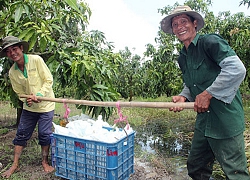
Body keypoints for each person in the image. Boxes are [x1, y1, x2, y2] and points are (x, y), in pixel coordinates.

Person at [161, 5, 250, 180]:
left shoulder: (210, 42)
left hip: (225, 120)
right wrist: (184, 96)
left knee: (236, 173)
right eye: (175, 24)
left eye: (184, 21)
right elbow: (191, 83)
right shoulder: (182, 57)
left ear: (195, 24)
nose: (179, 27)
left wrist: (208, 94)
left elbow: (237, 69)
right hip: (204, 121)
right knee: (196, 166)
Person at [0, 36, 55, 178]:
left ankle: (44, 161)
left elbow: (48, 79)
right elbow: (20, 93)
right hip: (30, 108)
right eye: (9, 51)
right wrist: (28, 100)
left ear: (21, 48)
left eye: (15, 49)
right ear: (7, 54)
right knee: (22, 133)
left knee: (44, 133)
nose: (13, 53)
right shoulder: (13, 72)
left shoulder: (36, 60)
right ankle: (15, 164)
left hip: (46, 106)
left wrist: (39, 94)